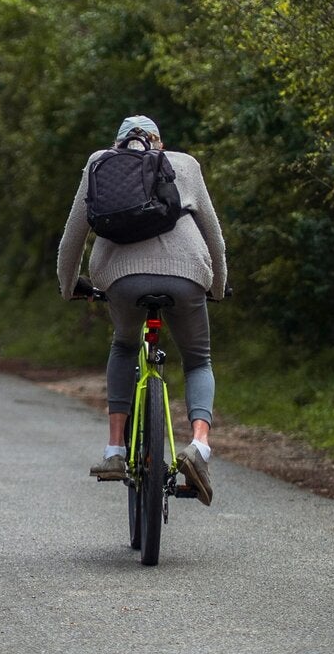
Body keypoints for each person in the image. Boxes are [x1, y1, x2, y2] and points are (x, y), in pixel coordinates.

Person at [56, 115, 226, 505]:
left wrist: (68, 288)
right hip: (186, 275)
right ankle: (199, 446)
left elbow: (72, 239)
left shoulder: (100, 162)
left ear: (117, 145)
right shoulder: (185, 164)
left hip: (121, 280)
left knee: (124, 346)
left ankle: (115, 450)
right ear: (159, 143)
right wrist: (217, 287)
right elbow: (214, 237)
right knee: (198, 360)